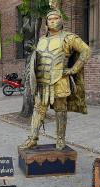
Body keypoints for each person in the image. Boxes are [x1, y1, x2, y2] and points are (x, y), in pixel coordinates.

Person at [19, 7, 91, 150]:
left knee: (60, 110)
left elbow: (86, 51)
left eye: (55, 19)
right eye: (49, 20)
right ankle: (33, 138)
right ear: (46, 23)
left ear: (61, 20)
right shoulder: (41, 40)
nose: (52, 22)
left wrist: (73, 69)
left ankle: (60, 139)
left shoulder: (69, 37)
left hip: (60, 80)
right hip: (42, 82)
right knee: (38, 109)